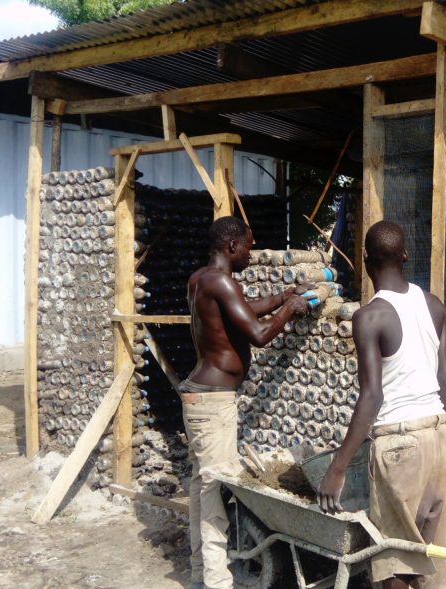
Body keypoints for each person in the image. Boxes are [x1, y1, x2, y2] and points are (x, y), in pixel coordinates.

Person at [318, 220, 446, 589]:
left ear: (365, 259)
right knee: (430, 556)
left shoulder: (369, 317)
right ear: (405, 255)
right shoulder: (434, 306)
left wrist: (338, 467)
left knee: (394, 558)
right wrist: (435, 434)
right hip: (438, 436)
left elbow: (372, 395)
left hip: (400, 446)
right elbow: (445, 381)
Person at [182, 216, 315, 589]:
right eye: (249, 245)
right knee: (214, 492)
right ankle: (216, 582)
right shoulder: (222, 282)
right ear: (231, 246)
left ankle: (198, 574)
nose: (252, 253)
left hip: (200, 397)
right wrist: (291, 310)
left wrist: (284, 297)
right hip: (213, 403)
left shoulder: (201, 279)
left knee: (201, 486)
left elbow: (241, 308)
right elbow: (257, 334)